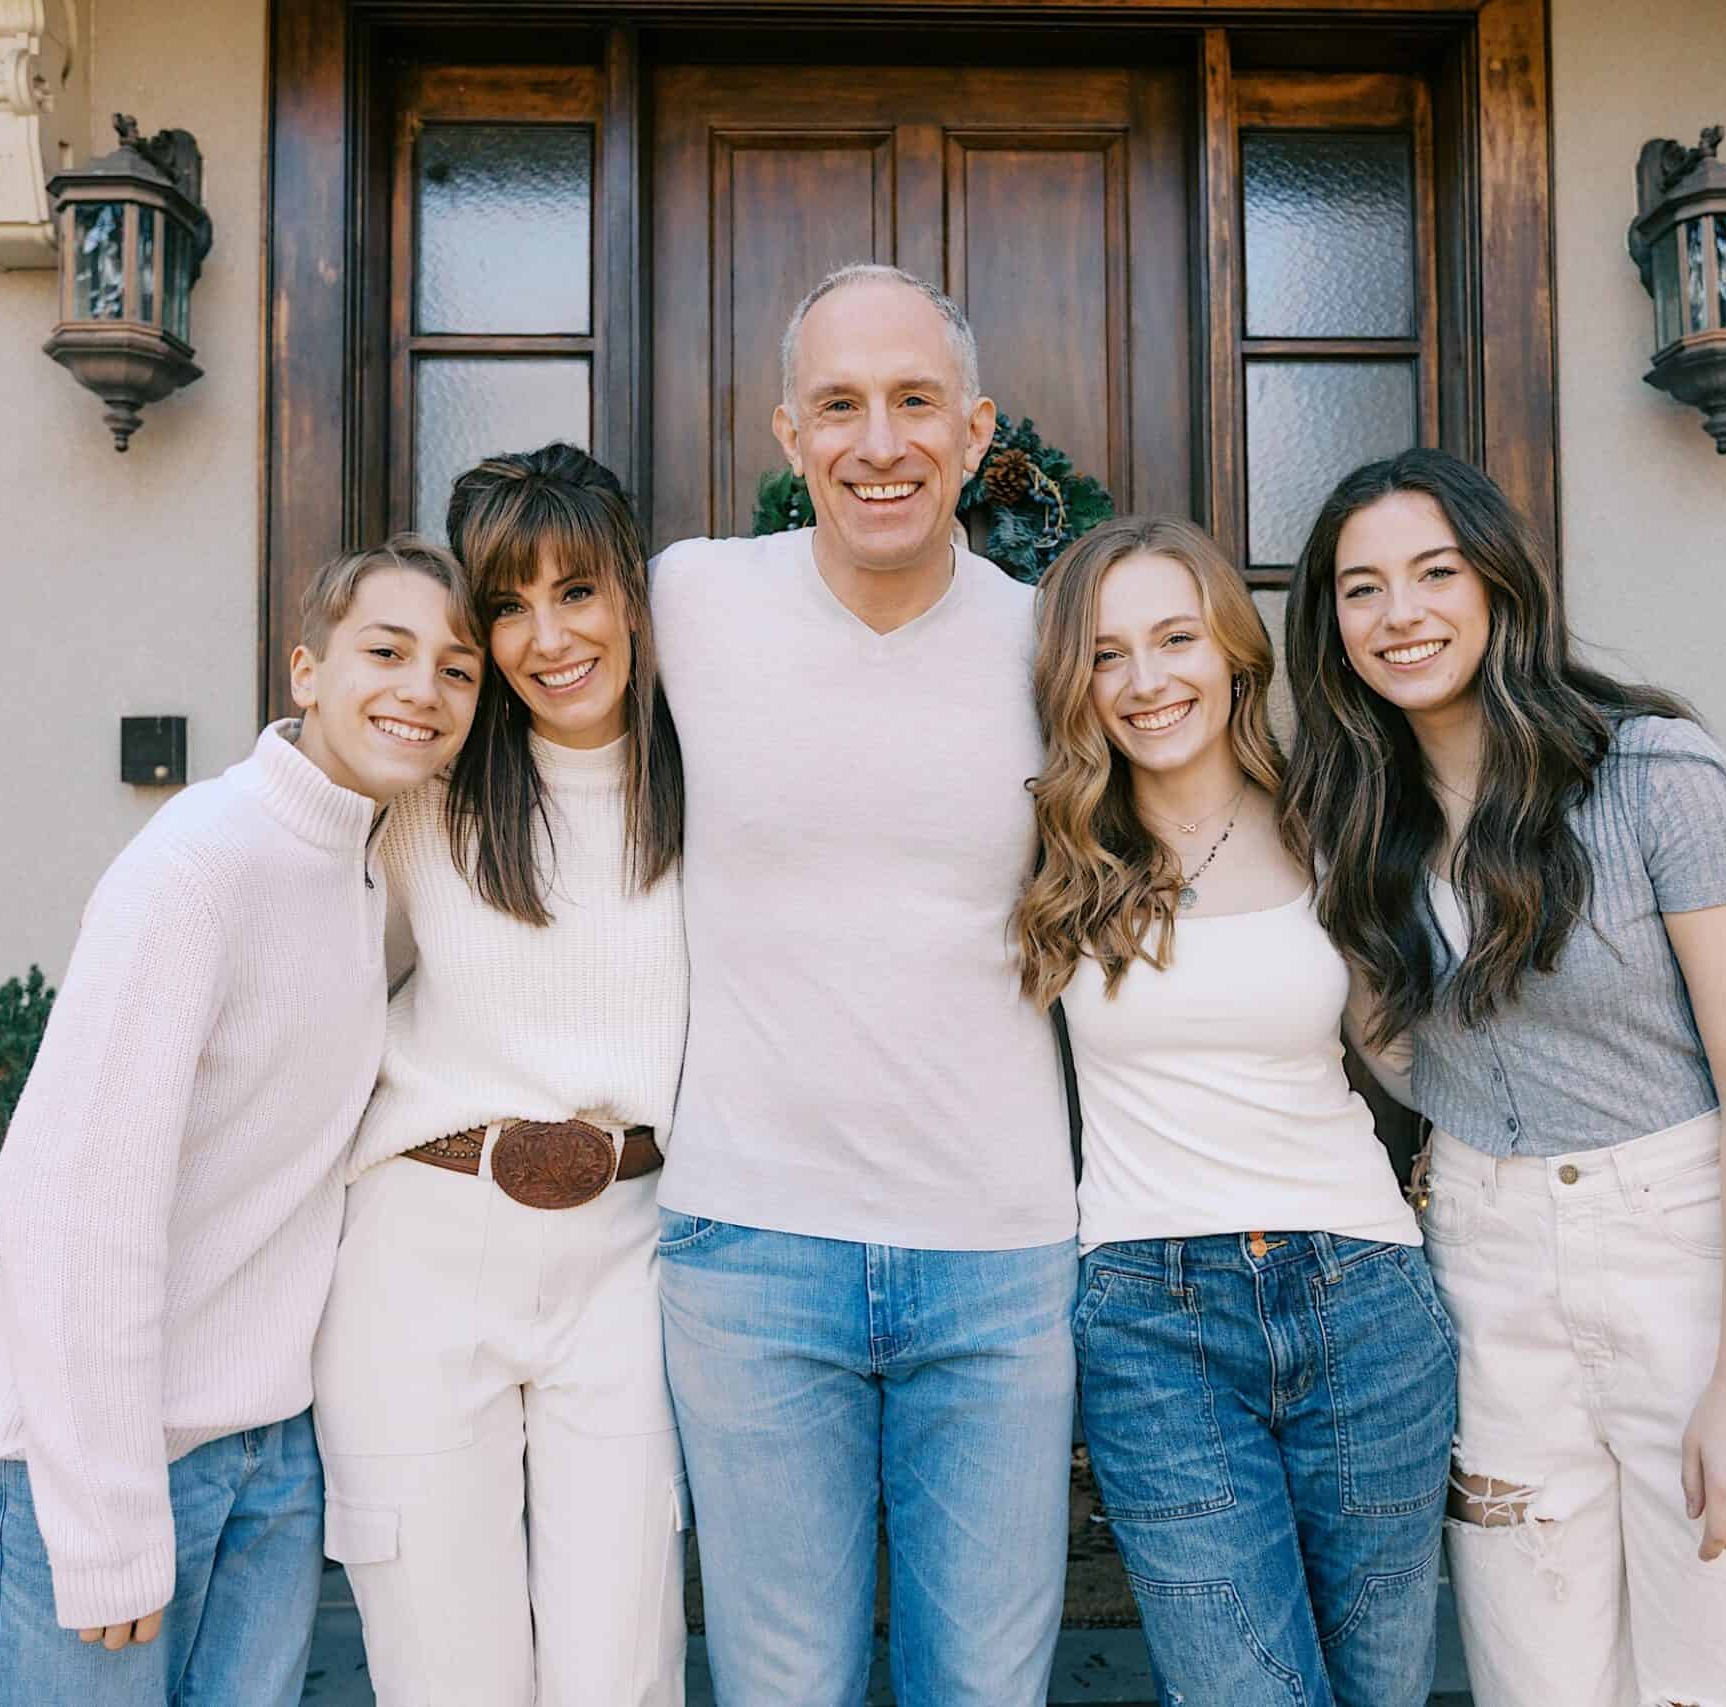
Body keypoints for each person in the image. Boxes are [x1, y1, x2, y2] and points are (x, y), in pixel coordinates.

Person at [1281, 448, 1726, 1706]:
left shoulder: (1655, 774)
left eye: (1434, 572)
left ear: (1498, 585)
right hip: (1486, 1265)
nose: (1401, 615)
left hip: (1688, 1250)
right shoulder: (1353, 817)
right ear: (1329, 624)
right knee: (1535, 1673)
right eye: (1361, 588)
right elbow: (1395, 1042)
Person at [0, 540, 480, 1706]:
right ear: (305, 671)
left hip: (270, 1457)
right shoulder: (197, 867)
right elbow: (72, 1199)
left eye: (456, 671)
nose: (421, 692)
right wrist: (108, 1519)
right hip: (118, 1464)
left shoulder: (360, 865)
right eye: (385, 652)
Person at [648, 263, 1075, 1705]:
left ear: (975, 430)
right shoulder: (687, 601)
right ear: (787, 433)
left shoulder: (1053, 645)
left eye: (912, 403)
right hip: (750, 1247)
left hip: (998, 1255)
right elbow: (484, 709)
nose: (877, 442)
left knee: (989, 1688)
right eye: (839, 405)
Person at [1012, 516, 1456, 1707]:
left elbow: (1407, 1057)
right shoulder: (1056, 855)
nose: (1148, 681)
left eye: (1175, 638)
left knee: (1381, 1686)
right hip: (1154, 1323)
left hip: (1364, 1299)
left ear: (1233, 653)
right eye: (1107, 654)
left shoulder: (1334, 822)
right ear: (1074, 682)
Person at [311, 445, 689, 1705]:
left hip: (627, 1260)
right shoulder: (423, 794)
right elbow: (312, 1000)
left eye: (575, 591)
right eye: (508, 608)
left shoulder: (713, 790)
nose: (547, 637)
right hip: (422, 1252)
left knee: (618, 1666)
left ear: (630, 595)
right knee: (444, 1671)